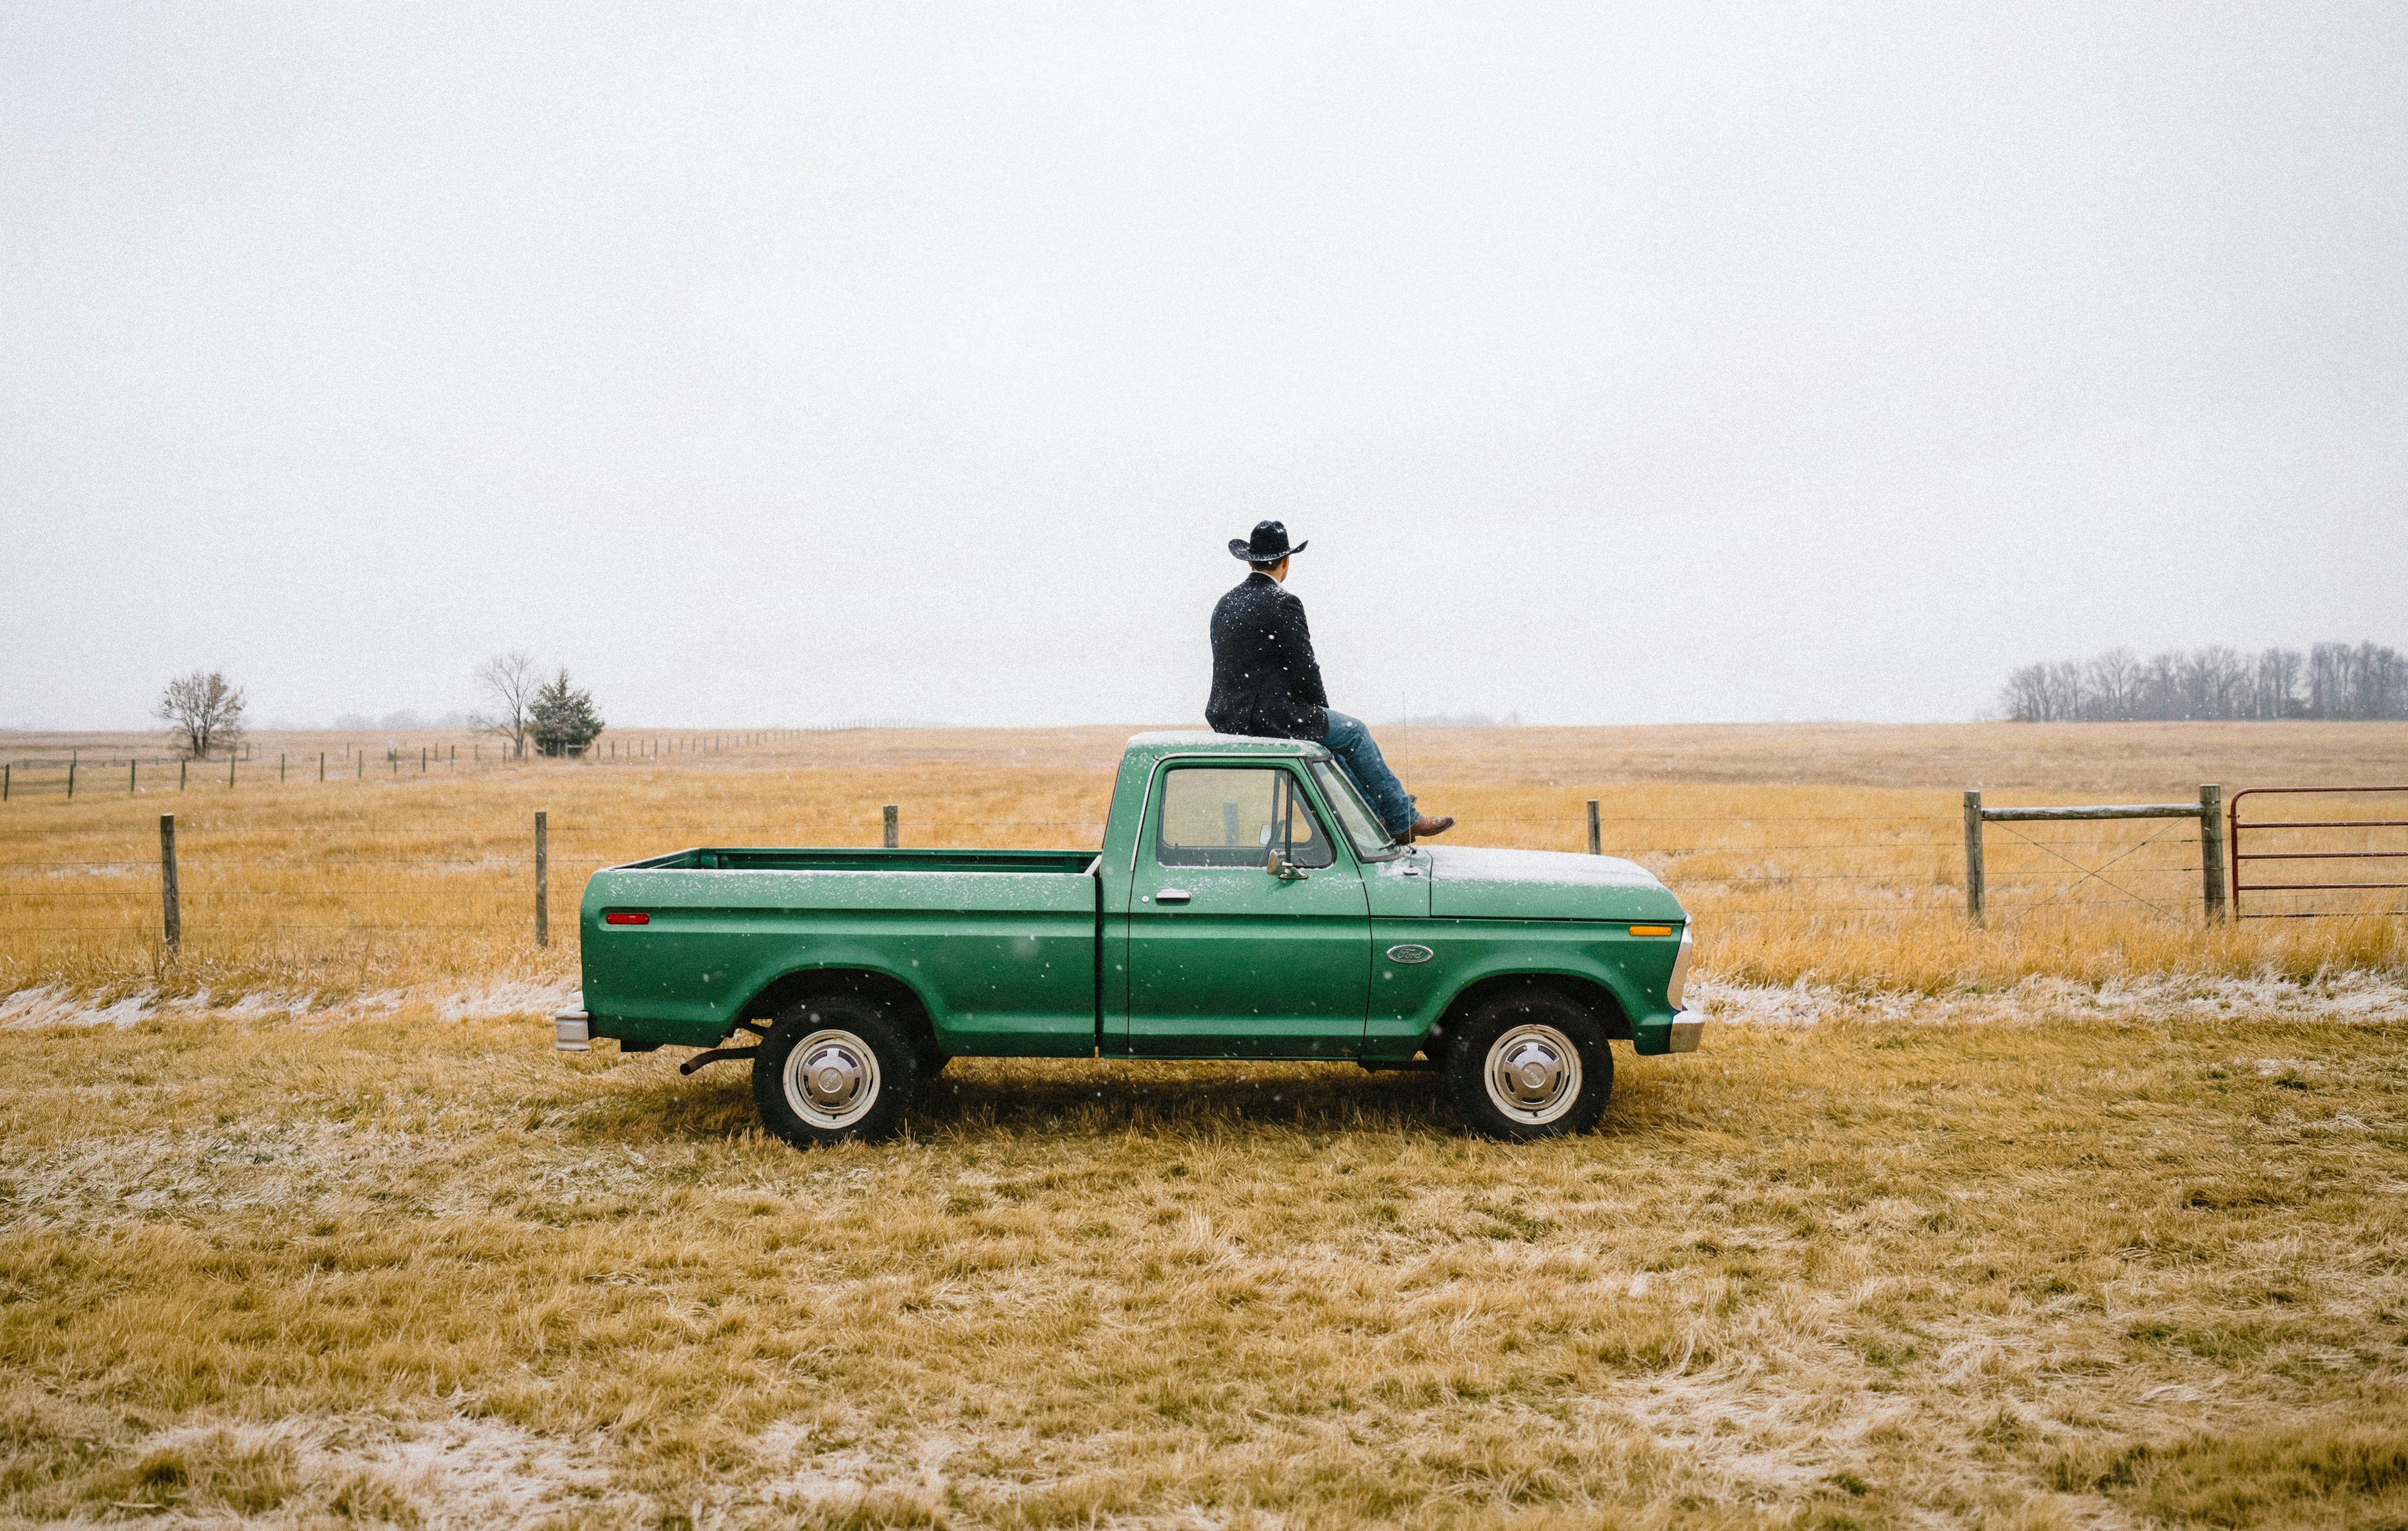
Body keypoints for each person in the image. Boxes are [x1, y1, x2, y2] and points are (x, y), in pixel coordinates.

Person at [1204, 521, 1454, 843]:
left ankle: (1380, 813)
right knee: (1354, 733)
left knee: (1334, 744)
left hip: (1228, 718)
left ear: (1250, 561)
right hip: (1270, 716)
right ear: (1286, 562)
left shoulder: (1225, 605)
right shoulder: (1284, 603)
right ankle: (1402, 819)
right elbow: (1304, 667)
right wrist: (1318, 710)